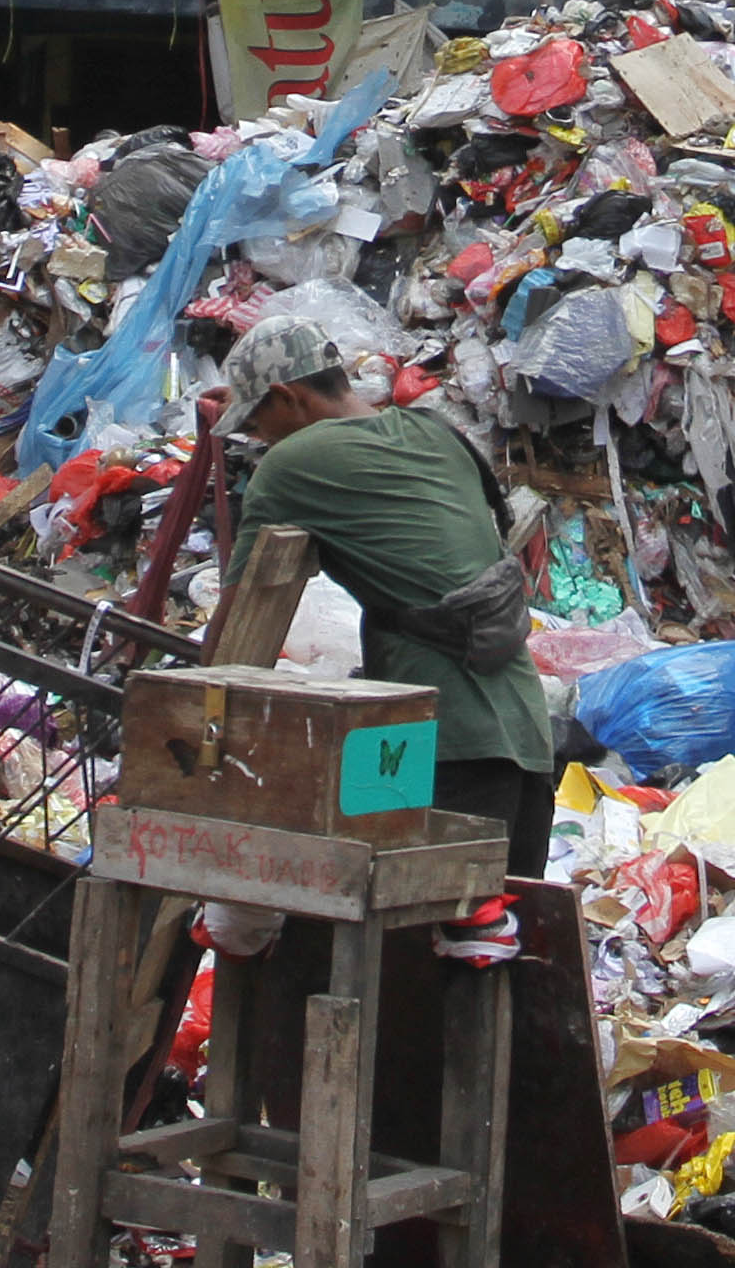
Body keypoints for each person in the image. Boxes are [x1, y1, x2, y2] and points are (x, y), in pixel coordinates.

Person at [213, 311, 554, 872]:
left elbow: (230, 636)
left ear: (286, 396)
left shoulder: (288, 466)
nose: (256, 438)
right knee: (506, 942)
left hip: (430, 748)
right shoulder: (436, 433)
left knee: (396, 944)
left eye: (255, 422)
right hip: (525, 735)